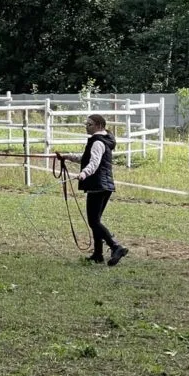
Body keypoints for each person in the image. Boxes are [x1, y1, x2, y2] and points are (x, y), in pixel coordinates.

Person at [63, 114, 128, 266]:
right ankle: (98, 254)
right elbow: (86, 157)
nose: (87, 126)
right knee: (95, 221)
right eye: (87, 124)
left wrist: (84, 173)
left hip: (97, 185)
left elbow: (94, 162)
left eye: (90, 124)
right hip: (104, 185)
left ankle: (116, 246)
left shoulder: (98, 142)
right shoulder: (102, 140)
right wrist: (67, 157)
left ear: (99, 125)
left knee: (93, 221)